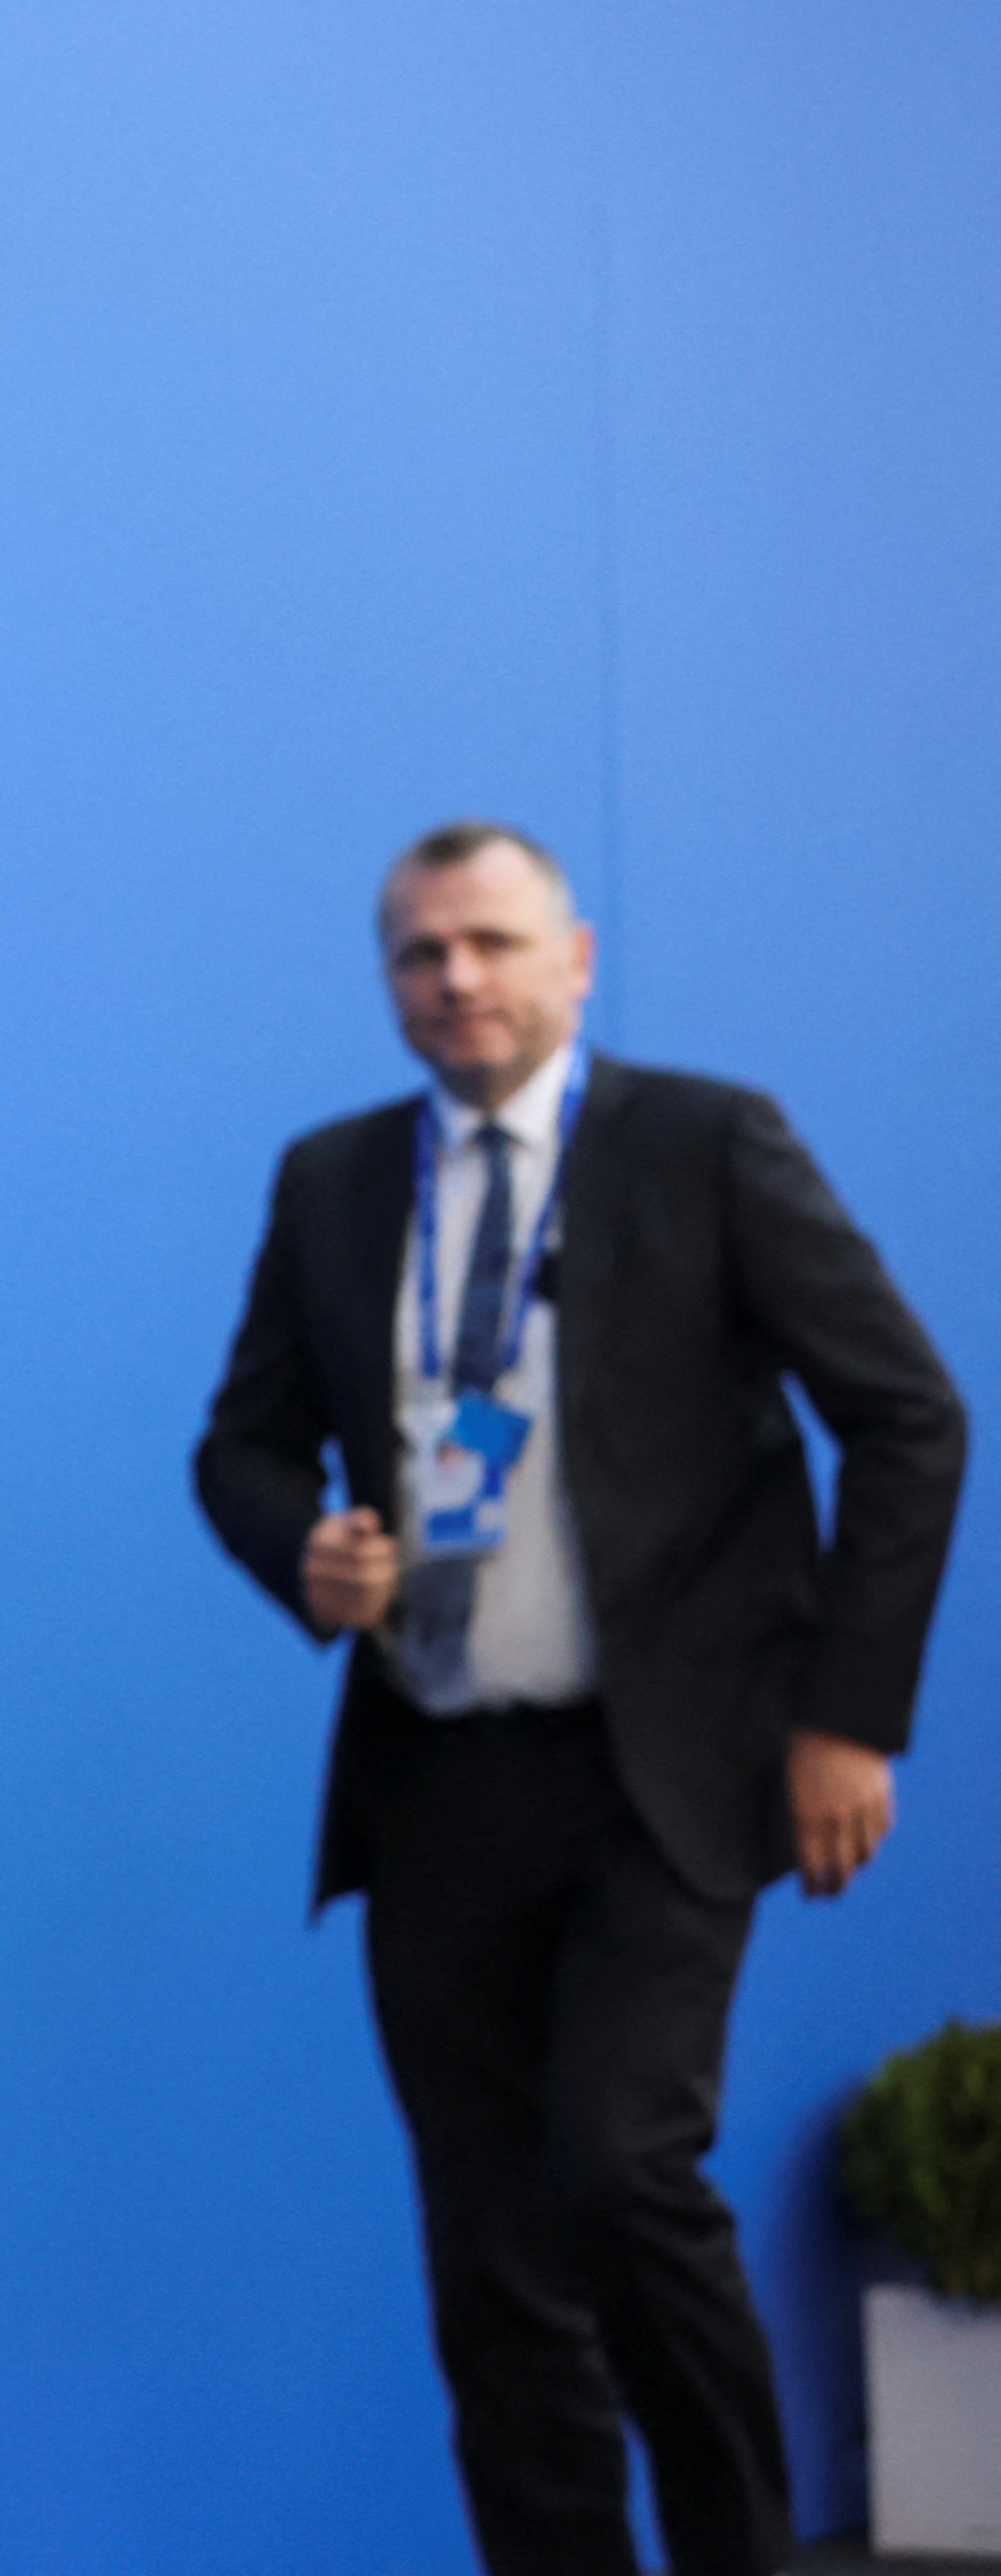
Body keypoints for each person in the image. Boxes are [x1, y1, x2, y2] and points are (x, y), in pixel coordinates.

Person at [194, 822, 966, 2576]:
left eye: (486, 940)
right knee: (486, 2259)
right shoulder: (329, 1182)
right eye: (415, 951)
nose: (453, 977)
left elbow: (910, 1416)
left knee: (617, 2170)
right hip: (436, 1778)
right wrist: (296, 1549)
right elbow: (236, 1442)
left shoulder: (704, 1146)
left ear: (576, 958)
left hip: (664, 1775)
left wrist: (849, 1715)